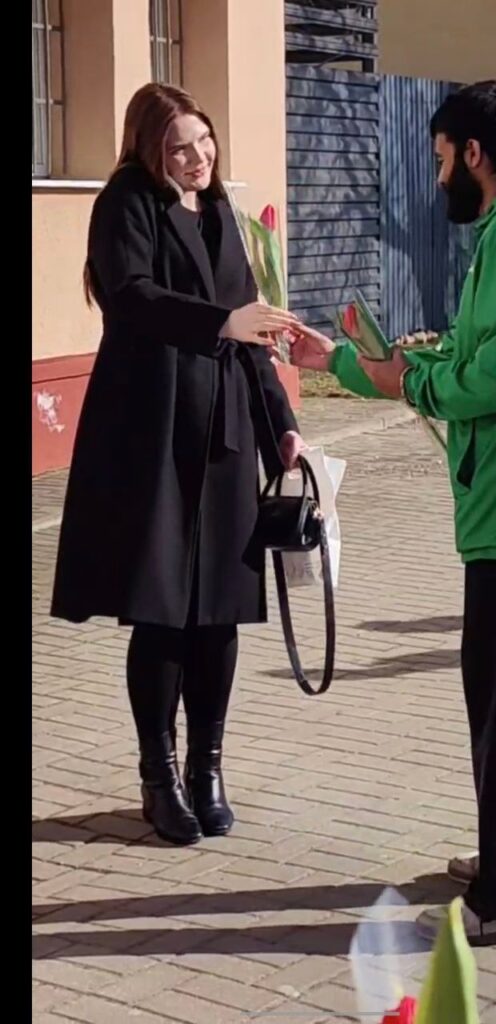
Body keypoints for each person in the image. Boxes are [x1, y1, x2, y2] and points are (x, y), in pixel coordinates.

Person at [291, 81, 496, 945]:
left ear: (474, 153)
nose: (437, 182)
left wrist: (419, 381)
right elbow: (491, 354)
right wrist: (363, 363)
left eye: (439, 161)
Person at [51, 83, 306, 847]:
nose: (197, 158)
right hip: (152, 429)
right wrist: (222, 321)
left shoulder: (221, 210)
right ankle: (159, 778)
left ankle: (207, 769)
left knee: (220, 608)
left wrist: (282, 428)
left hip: (225, 432)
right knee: (163, 609)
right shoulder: (126, 202)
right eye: (178, 148)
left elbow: (251, 331)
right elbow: (131, 296)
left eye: (203, 141)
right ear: (148, 149)